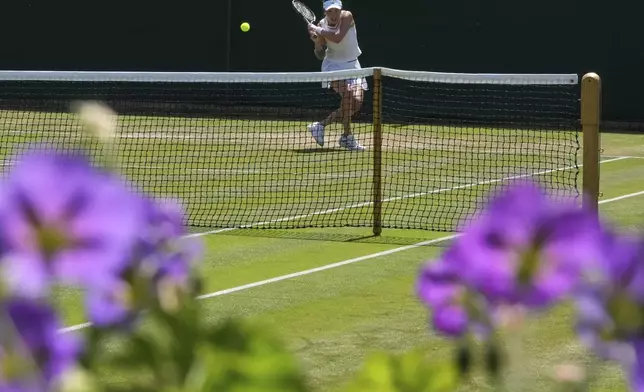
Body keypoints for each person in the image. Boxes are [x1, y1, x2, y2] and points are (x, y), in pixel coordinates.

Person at [306, 0, 366, 151]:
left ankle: (320, 125)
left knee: (356, 102)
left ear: (341, 10)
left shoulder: (347, 17)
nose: (333, 14)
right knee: (348, 94)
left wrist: (318, 31)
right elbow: (319, 55)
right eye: (329, 11)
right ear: (325, 12)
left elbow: (338, 37)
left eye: (336, 11)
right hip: (332, 66)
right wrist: (317, 43)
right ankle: (347, 136)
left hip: (353, 65)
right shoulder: (320, 25)